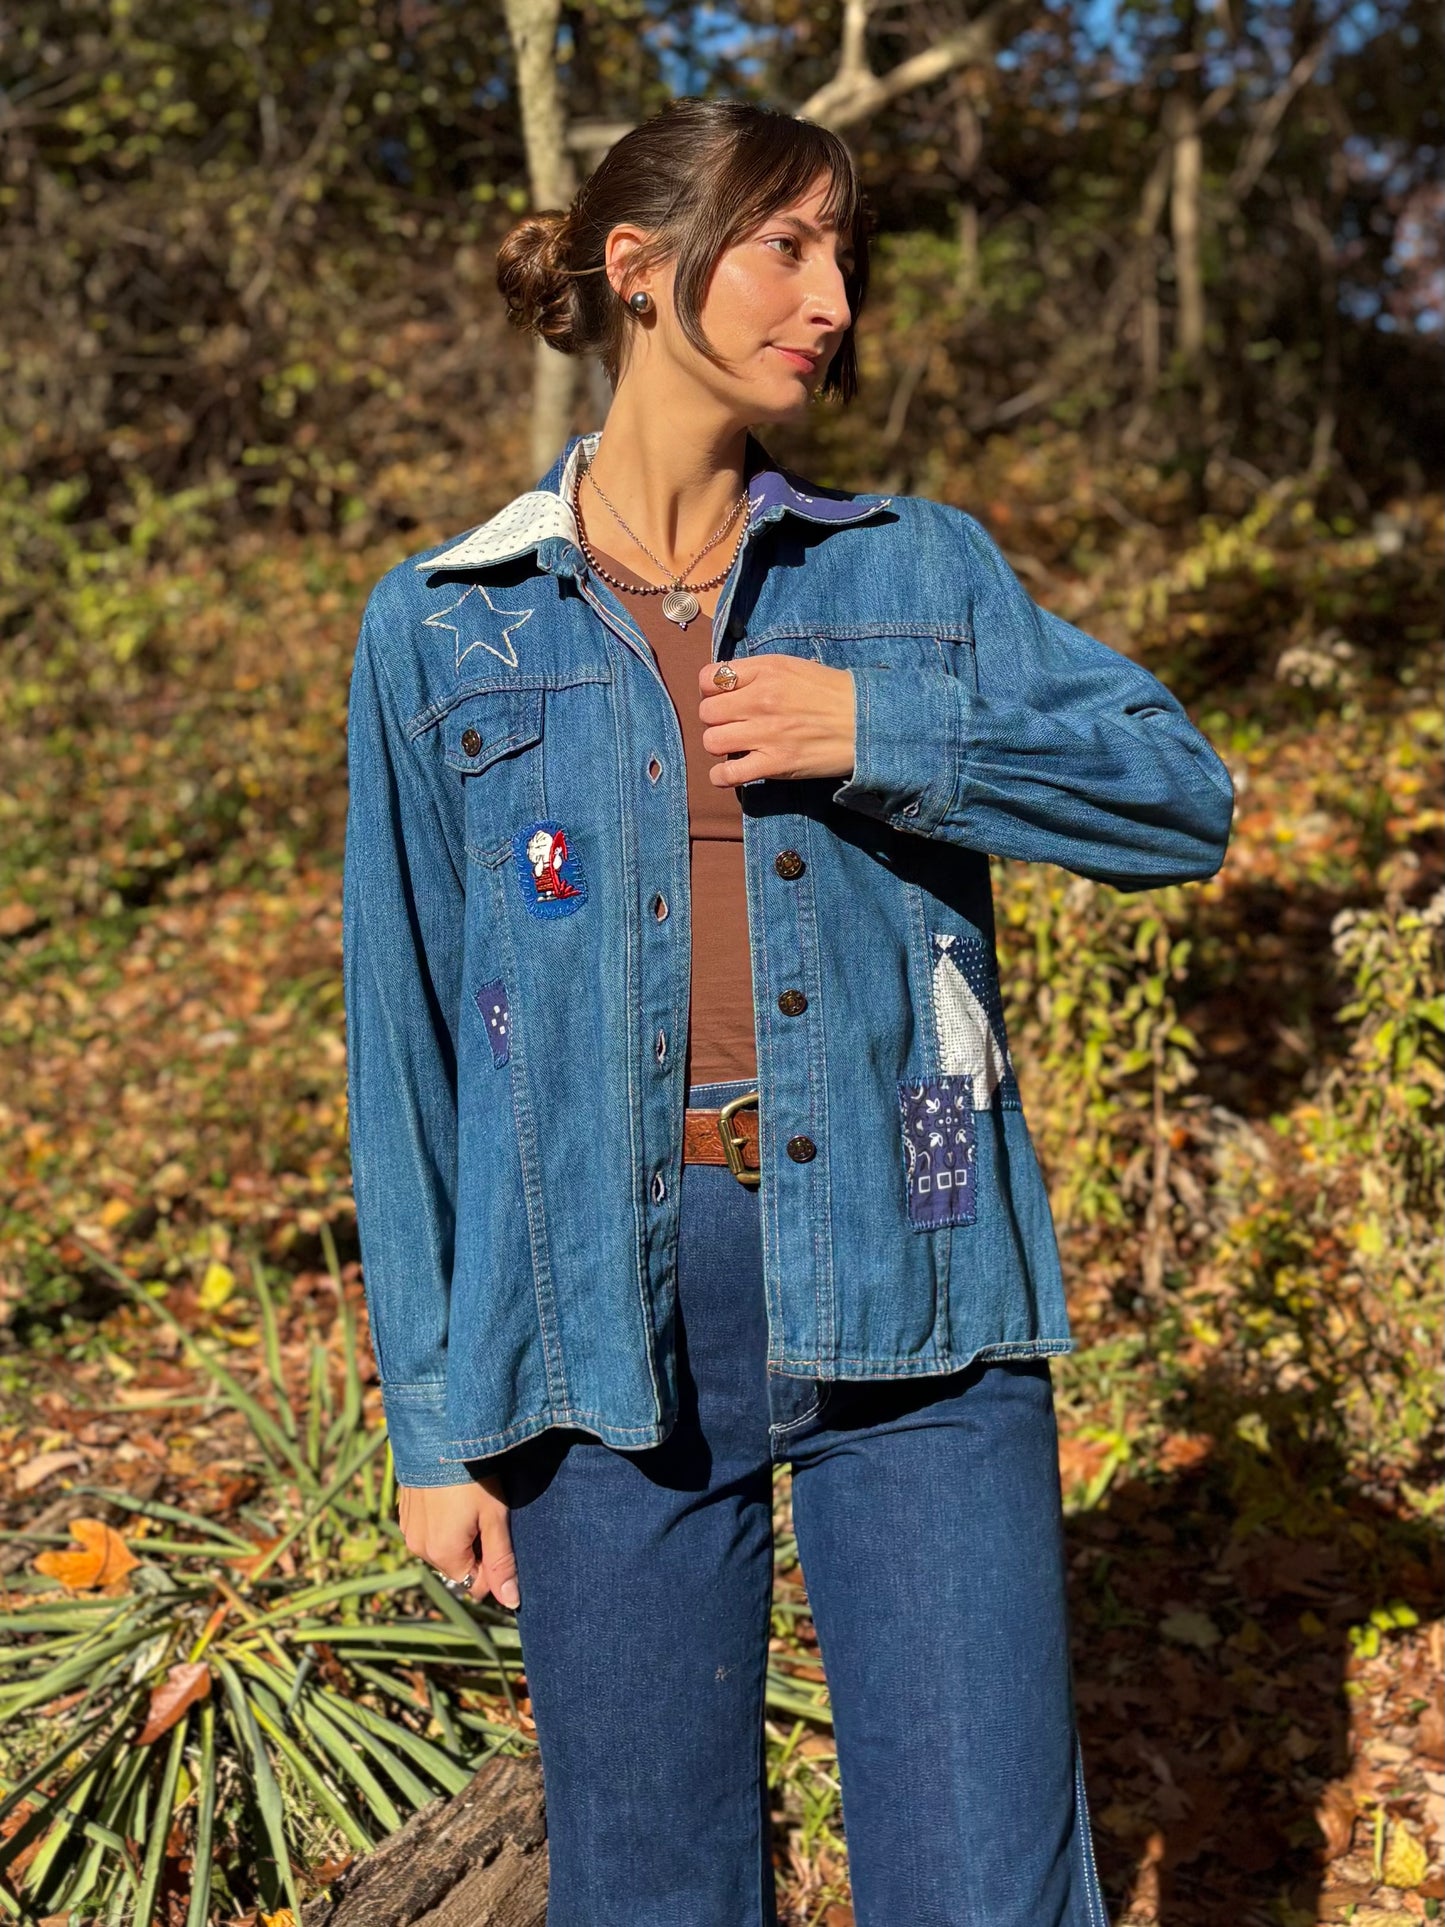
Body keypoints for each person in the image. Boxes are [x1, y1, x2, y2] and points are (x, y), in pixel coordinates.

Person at [342, 95, 1233, 1927]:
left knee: (986, 1884)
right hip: (601, 1314)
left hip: (914, 1268)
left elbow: (1180, 799)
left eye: (844, 251)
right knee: (653, 1884)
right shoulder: (443, 626)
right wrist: (432, 1426)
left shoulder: (912, 571)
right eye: (785, 247)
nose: (831, 294)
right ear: (640, 272)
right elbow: (410, 1035)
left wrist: (883, 737)